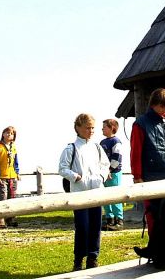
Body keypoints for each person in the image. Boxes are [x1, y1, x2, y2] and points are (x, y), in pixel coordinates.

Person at [130, 88, 165, 236]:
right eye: (162, 106)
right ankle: (156, 252)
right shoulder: (140, 124)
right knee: (155, 217)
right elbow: (136, 152)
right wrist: (137, 177)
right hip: (151, 178)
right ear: (153, 105)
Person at [59, 113, 109, 271]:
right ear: (78, 128)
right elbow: (62, 168)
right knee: (82, 227)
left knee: (95, 225)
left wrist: (101, 176)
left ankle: (93, 257)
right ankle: (78, 259)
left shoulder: (96, 147)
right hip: (79, 193)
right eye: (88, 128)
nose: (91, 130)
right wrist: (75, 177)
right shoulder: (71, 148)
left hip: (96, 192)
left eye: (93, 127)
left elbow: (105, 164)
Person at [0, 126, 20, 229]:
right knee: (3, 196)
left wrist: (17, 172)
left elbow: (16, 161)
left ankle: (10, 218)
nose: (9, 135)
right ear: (3, 134)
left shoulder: (14, 147)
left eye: (11, 134)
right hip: (2, 176)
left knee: (12, 197)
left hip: (12, 176)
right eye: (7, 133)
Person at [100, 118, 123, 231]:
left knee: (115, 196)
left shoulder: (116, 141)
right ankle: (110, 219)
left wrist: (109, 169)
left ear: (111, 128)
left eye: (104, 127)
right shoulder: (102, 142)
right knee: (105, 197)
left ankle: (119, 220)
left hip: (114, 173)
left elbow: (117, 157)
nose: (102, 129)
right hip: (104, 174)